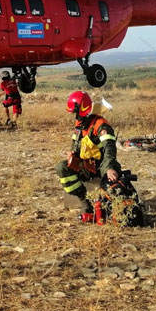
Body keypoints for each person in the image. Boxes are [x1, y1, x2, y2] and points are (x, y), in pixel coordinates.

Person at [56, 90, 121, 219]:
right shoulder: (80, 125)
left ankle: (108, 207)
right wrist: (72, 156)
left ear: (83, 109)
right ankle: (84, 201)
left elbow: (109, 148)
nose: (75, 116)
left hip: (102, 165)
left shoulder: (101, 125)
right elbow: (76, 145)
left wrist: (109, 168)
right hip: (86, 165)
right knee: (62, 167)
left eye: (76, 113)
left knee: (110, 186)